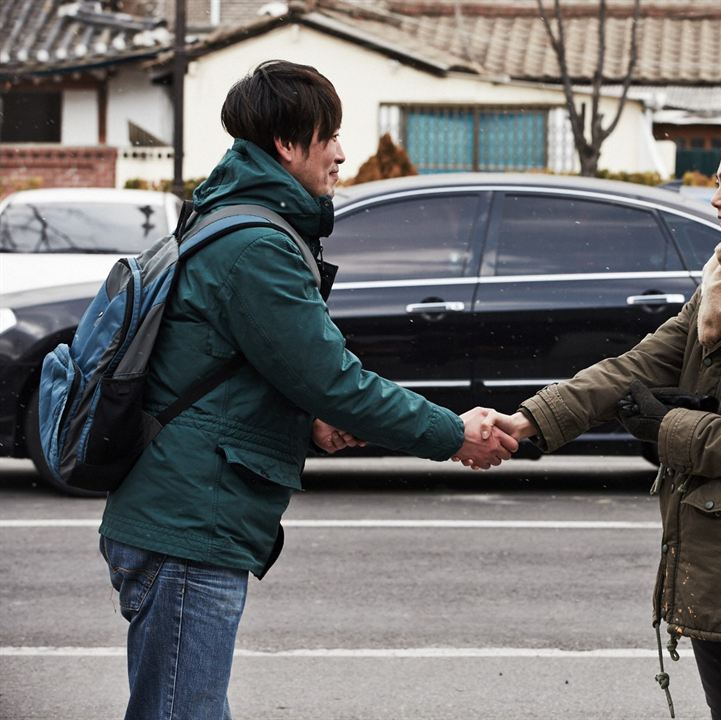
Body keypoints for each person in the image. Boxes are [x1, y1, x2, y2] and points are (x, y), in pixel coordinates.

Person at [97, 60, 516, 720]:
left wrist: (308, 422)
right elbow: (333, 381)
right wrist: (453, 432)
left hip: (182, 514)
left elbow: (242, 370)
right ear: (289, 146)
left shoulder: (228, 216)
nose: (343, 153)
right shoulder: (256, 245)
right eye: (331, 136)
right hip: (188, 523)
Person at [489, 121, 721, 720]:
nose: (714, 200)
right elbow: (639, 363)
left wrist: (667, 428)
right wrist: (533, 420)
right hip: (710, 549)